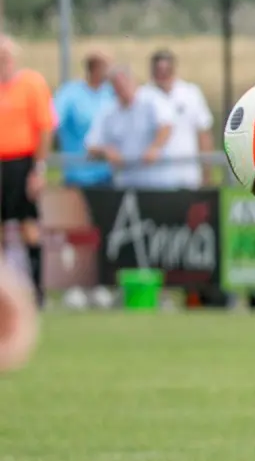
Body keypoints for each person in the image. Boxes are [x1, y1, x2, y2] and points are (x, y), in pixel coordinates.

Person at [0, 35, 55, 305]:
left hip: (21, 164)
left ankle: (37, 291)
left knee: (28, 226)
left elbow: (44, 128)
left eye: (4, 58)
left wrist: (38, 169)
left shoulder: (31, 84)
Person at [85, 66, 174, 190]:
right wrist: (106, 151)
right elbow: (91, 144)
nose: (122, 89)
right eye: (117, 86)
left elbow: (166, 125)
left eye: (124, 84)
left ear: (133, 82)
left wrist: (155, 147)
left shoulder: (152, 99)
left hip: (156, 184)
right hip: (124, 184)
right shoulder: (108, 112)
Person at [140, 49, 214, 189]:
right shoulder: (142, 95)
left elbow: (203, 133)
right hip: (152, 181)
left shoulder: (191, 93)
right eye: (159, 70)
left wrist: (206, 173)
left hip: (187, 177)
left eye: (166, 69)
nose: (163, 74)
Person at [53, 51, 116, 187]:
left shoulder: (111, 93)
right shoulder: (70, 93)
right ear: (94, 68)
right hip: (77, 176)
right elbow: (53, 119)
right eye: (107, 68)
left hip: (107, 175)